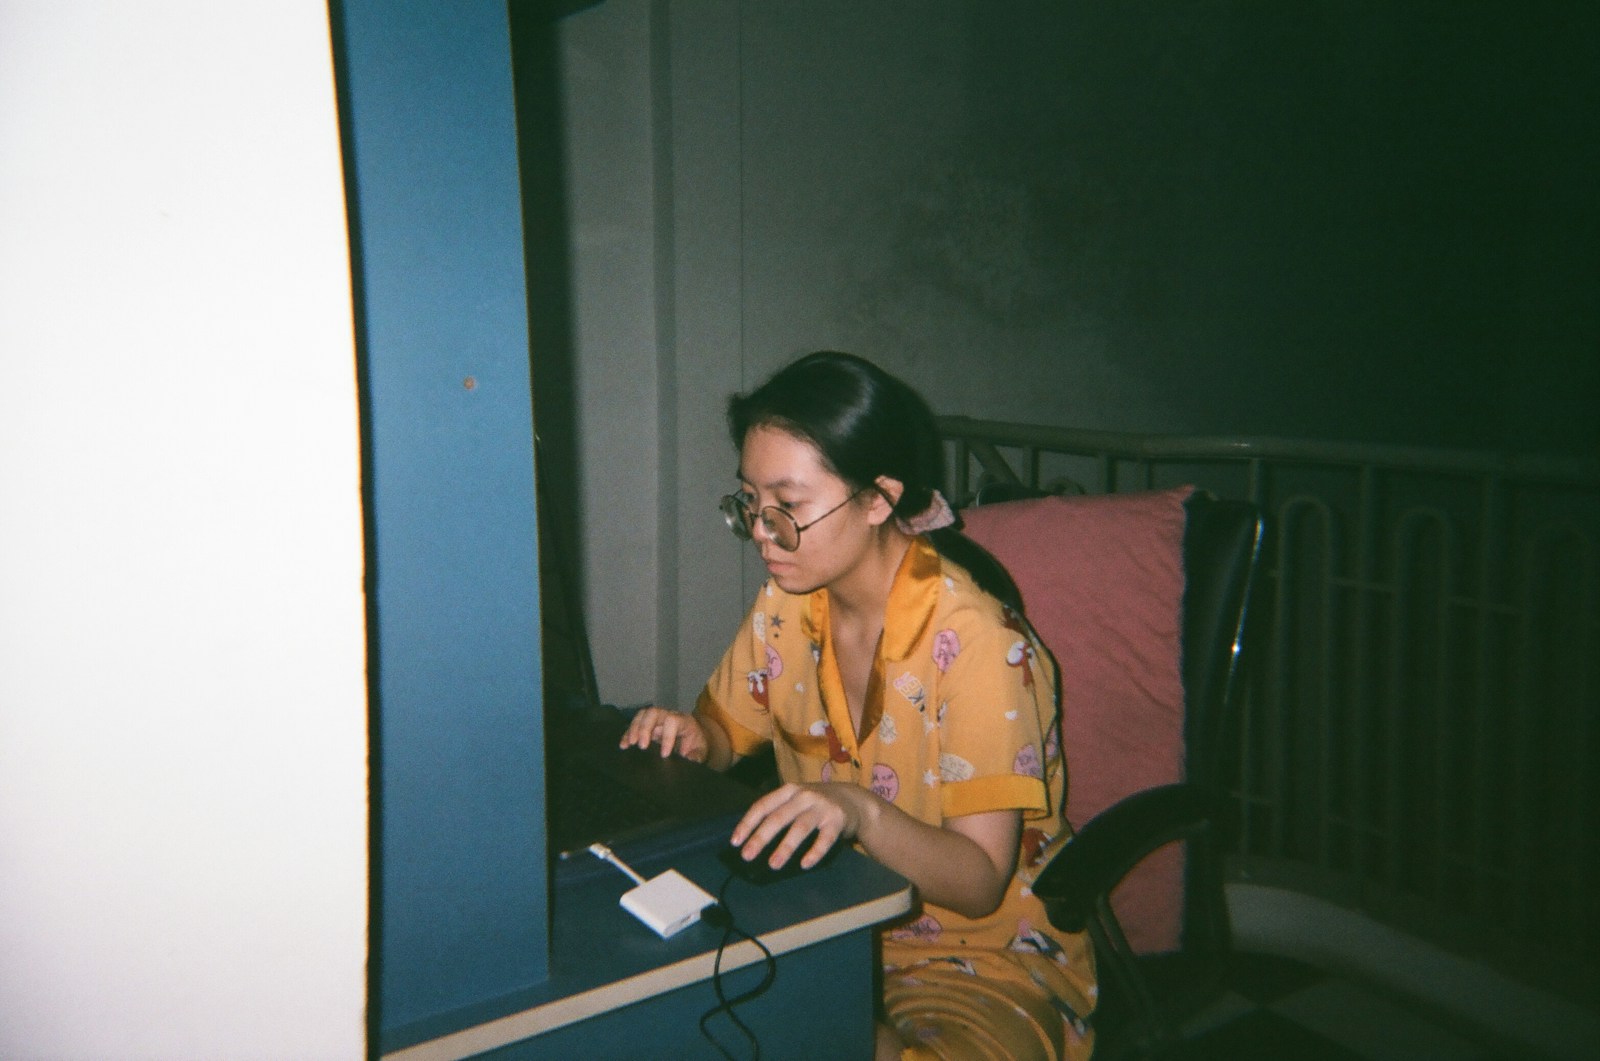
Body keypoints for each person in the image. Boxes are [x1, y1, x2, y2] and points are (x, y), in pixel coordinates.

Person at [621, 351, 1096, 1060]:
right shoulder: (787, 606)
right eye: (750, 502)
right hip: (821, 923)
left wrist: (860, 811)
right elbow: (725, 731)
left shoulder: (980, 647)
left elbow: (977, 881)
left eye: (789, 506)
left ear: (878, 499)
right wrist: (692, 737)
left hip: (977, 959)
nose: (762, 531)